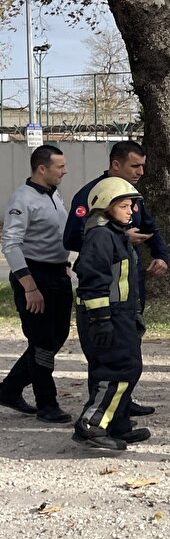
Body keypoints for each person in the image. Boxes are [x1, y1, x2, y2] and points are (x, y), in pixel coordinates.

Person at [63, 140, 167, 418]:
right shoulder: (92, 196)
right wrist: (118, 236)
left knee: (128, 352)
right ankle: (98, 416)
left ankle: (121, 405)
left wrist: (161, 255)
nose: (141, 172)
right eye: (135, 165)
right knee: (107, 356)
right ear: (115, 164)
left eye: (143, 166)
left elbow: (149, 226)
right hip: (106, 297)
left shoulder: (129, 196)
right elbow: (72, 237)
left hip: (128, 293)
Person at [72, 177, 150, 452]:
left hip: (120, 313)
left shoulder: (113, 234)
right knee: (120, 369)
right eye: (125, 206)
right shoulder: (101, 237)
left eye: (131, 206)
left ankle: (116, 424)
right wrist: (102, 321)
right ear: (105, 206)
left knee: (119, 367)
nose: (131, 211)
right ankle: (91, 425)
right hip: (108, 315)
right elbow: (93, 283)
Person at [0, 146, 73, 423]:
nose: (64, 170)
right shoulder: (23, 198)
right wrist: (29, 286)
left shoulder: (54, 194)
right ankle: (47, 403)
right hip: (33, 276)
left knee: (57, 336)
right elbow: (11, 244)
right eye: (60, 166)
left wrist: (64, 266)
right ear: (42, 169)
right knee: (42, 342)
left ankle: (9, 389)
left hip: (57, 274)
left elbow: (55, 234)